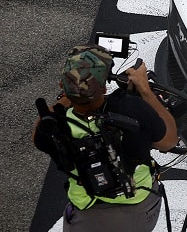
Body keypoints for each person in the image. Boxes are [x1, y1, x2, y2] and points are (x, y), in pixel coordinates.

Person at [32, 45, 178, 231]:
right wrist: (145, 90)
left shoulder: (52, 127)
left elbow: (39, 130)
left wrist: (74, 93)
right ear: (103, 86)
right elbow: (169, 141)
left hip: (87, 216)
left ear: (62, 85)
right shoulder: (132, 109)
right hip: (140, 209)